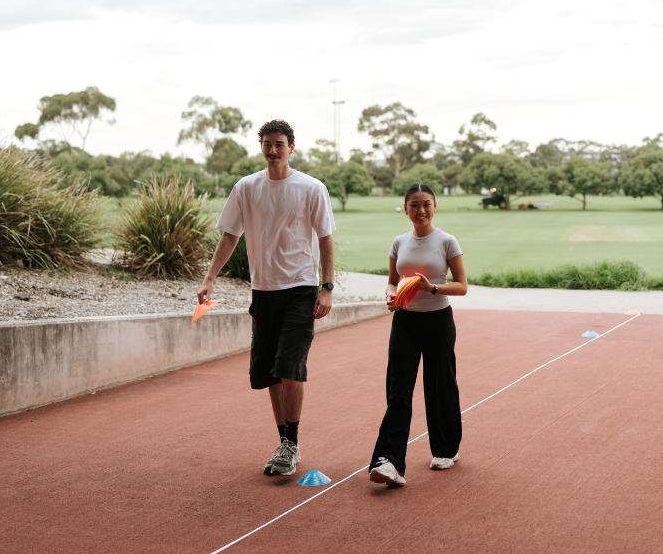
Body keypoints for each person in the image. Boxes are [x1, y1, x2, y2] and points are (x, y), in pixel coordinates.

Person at [197, 119, 336, 477]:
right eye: (267, 144)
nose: (273, 150)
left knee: (290, 366)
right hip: (263, 291)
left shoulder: (311, 188)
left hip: (300, 289)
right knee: (269, 373)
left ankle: (291, 442)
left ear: (292, 147)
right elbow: (230, 235)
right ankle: (284, 440)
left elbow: (325, 238)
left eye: (279, 144)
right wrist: (210, 278)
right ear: (261, 147)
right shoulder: (246, 187)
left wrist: (327, 287)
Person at [368, 183, 468, 487]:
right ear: (405, 207)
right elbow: (391, 281)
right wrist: (390, 296)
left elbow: (462, 286)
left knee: (440, 385)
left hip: (438, 320)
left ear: (435, 206)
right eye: (414, 204)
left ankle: (445, 449)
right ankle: (389, 462)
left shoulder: (447, 241)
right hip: (404, 323)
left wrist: (431, 287)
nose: (420, 210)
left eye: (426, 204)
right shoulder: (399, 243)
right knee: (398, 390)